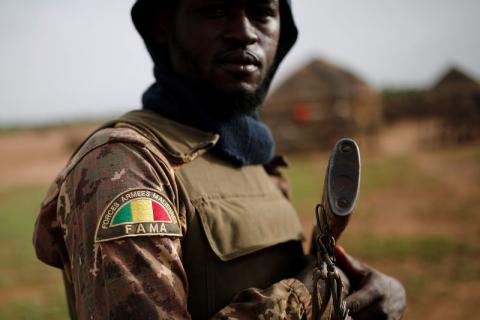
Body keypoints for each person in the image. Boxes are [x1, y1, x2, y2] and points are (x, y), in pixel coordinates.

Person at [33, 0, 406, 319]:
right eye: (214, 10)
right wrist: (308, 294)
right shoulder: (124, 163)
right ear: (164, 25)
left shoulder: (255, 158)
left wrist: (355, 292)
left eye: (262, 11)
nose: (243, 32)